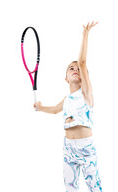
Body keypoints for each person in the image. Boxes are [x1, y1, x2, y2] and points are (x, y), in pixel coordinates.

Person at [34, 22, 102, 191]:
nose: (75, 70)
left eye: (78, 69)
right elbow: (56, 110)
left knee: (94, 187)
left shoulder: (86, 92)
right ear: (66, 78)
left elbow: (83, 61)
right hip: (68, 148)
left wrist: (85, 35)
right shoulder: (67, 99)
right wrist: (40, 107)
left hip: (85, 147)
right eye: (71, 69)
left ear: (84, 76)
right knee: (70, 187)